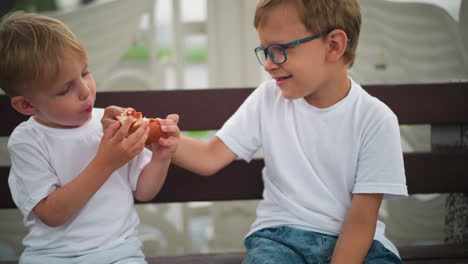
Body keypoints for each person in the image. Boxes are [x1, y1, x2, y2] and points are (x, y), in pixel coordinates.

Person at [102, 0, 408, 263]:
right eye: (265, 51)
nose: (269, 65)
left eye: (279, 50)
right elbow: (211, 156)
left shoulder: (375, 119)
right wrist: (153, 134)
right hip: (280, 239)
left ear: (333, 45)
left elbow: (361, 222)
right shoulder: (268, 99)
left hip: (358, 245)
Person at [0, 11, 180, 264]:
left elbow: (144, 191)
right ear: (27, 105)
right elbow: (52, 214)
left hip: (119, 252)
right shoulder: (28, 142)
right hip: (53, 256)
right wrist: (105, 162)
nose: (85, 91)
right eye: (65, 89)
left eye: (85, 73)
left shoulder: (108, 124)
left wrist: (161, 158)